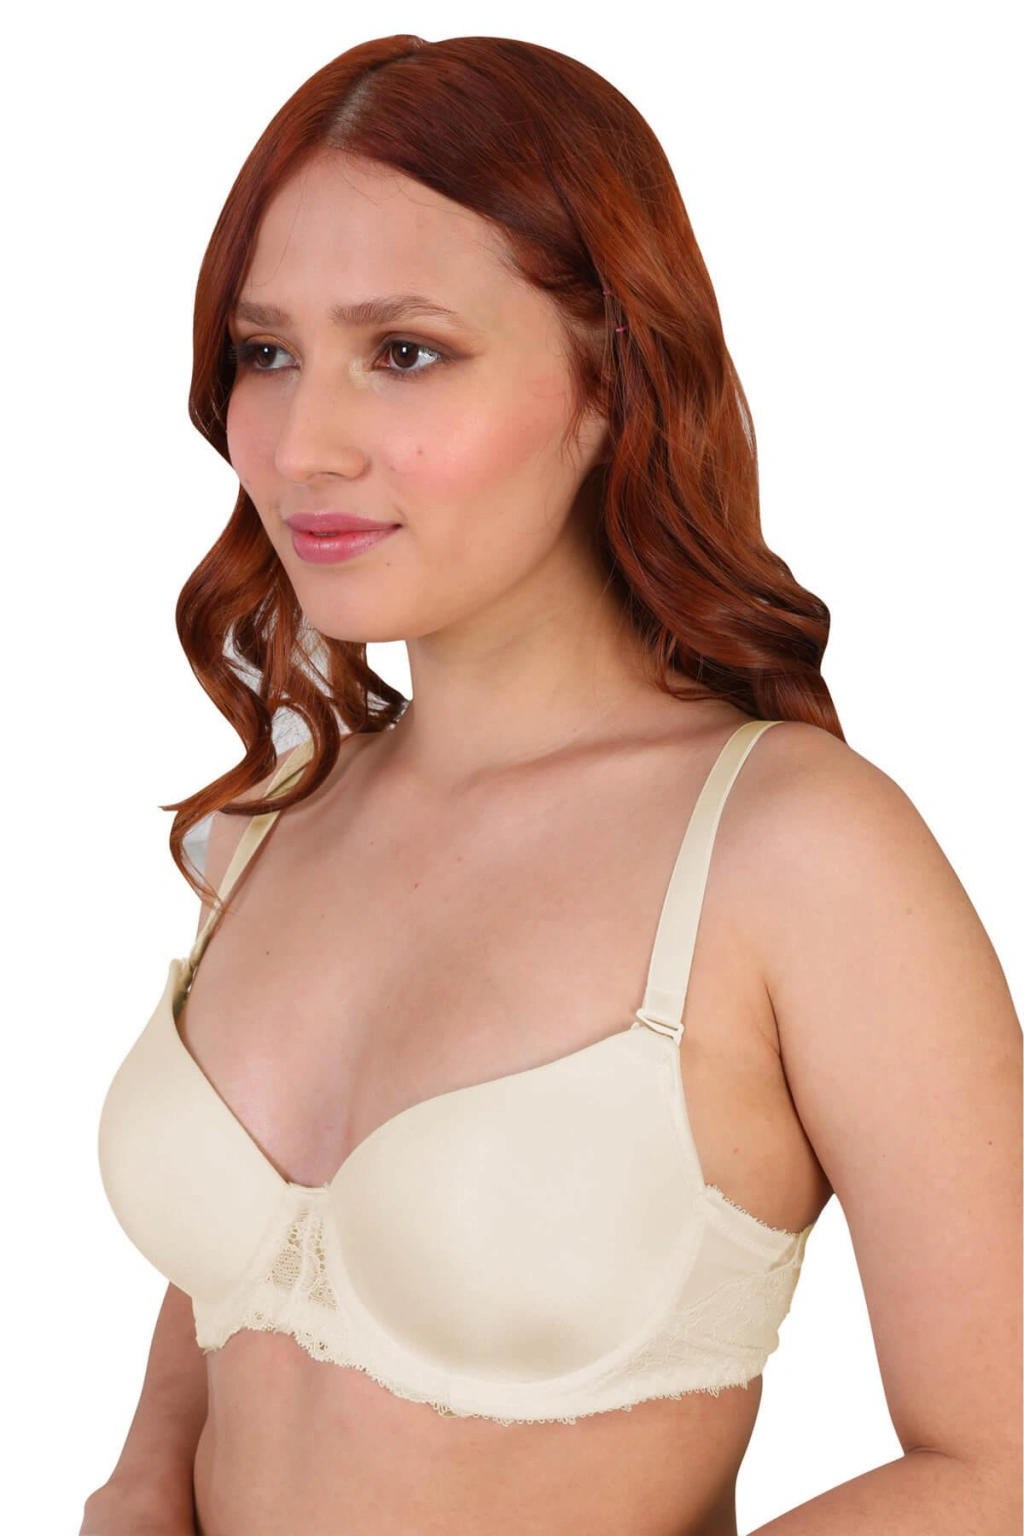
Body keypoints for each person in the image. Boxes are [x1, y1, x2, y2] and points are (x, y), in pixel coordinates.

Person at [81, 32, 1022, 1536]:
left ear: (611, 379)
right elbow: (240, 1288)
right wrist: (138, 1483)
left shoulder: (794, 852)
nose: (303, 445)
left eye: (404, 352)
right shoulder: (286, 817)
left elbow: (1001, 1461)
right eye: (267, 353)